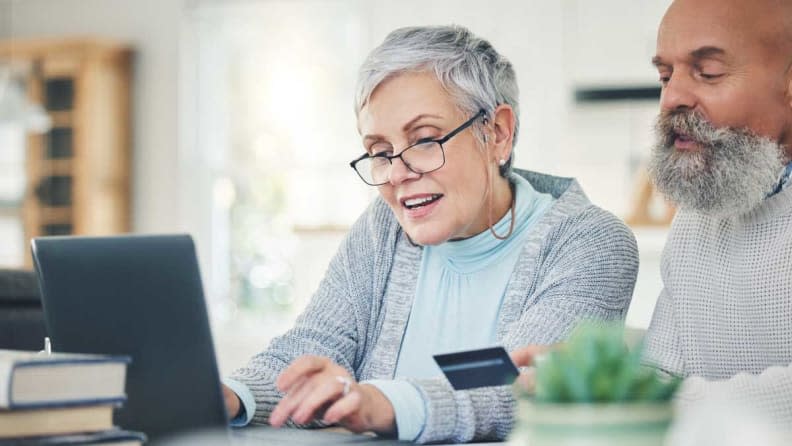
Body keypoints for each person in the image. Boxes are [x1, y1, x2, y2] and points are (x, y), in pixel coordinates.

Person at [222, 25, 639, 444]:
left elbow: (517, 381)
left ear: (497, 133)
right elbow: (315, 345)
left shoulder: (591, 242)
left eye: (423, 140)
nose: (398, 173)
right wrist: (232, 396)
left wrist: (379, 402)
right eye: (380, 152)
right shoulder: (382, 230)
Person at [640, 0, 792, 426]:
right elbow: (660, 369)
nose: (672, 98)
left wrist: (655, 405)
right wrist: (592, 382)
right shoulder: (699, 212)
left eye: (707, 73)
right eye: (665, 76)